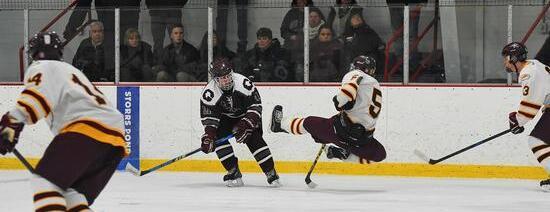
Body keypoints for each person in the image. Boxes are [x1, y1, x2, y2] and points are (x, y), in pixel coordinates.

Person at [0, 31, 127, 211]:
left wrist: (12, 122)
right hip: (114, 141)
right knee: (71, 197)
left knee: (45, 183)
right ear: (59, 52)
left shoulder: (40, 67)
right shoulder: (72, 71)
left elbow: (36, 96)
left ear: (33, 53)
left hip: (85, 129)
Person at [270, 55, 386, 165]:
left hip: (342, 131)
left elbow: (347, 92)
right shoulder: (374, 84)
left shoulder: (356, 74)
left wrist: (340, 102)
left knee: (309, 122)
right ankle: (341, 154)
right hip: (362, 139)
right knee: (380, 154)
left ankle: (279, 125)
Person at [199, 57, 281, 187]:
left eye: (228, 76)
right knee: (217, 138)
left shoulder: (243, 83)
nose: (226, 80)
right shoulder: (209, 94)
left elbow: (256, 106)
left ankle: (270, 172)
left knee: (254, 138)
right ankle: (233, 170)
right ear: (215, 79)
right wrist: (209, 136)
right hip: (225, 119)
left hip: (246, 116)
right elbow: (210, 120)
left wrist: (246, 123)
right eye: (222, 78)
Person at [501, 42, 550, 191]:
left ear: (513, 58)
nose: (505, 62)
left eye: (506, 58)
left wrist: (517, 120)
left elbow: (529, 107)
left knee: (536, 141)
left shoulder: (528, 74)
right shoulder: (535, 64)